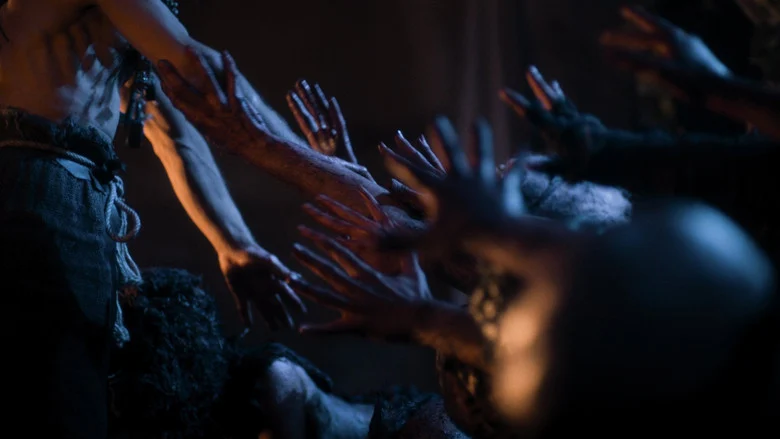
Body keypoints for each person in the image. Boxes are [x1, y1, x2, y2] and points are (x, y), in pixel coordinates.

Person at [0, 1, 303, 436]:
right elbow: (200, 71)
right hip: (34, 195)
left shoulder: (105, 30)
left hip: (63, 198)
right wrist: (329, 176)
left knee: (72, 392)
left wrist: (234, 243)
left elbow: (174, 133)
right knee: (55, 394)